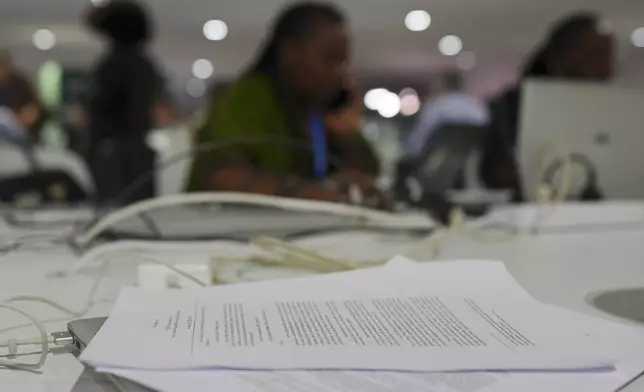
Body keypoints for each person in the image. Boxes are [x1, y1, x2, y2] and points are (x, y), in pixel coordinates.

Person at [186, 2, 385, 207]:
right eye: (329, 59)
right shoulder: (245, 98)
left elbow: (370, 172)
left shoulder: (315, 111)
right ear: (289, 51)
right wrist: (312, 193)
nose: (339, 73)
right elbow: (223, 177)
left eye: (343, 62)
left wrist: (346, 136)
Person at [479, 12, 613, 200]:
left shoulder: (612, 111)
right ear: (560, 57)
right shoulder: (512, 105)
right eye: (592, 55)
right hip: (535, 213)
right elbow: (492, 172)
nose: (604, 68)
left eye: (607, 56)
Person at [85, 0, 160, 205]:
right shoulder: (146, 64)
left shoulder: (114, 63)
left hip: (114, 151)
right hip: (138, 148)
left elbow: (102, 104)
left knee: (113, 209)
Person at [404, 72, 489, 156]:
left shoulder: (435, 106)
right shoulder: (476, 105)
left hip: (438, 160)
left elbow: (421, 136)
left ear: (442, 85)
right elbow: (486, 131)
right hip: (473, 159)